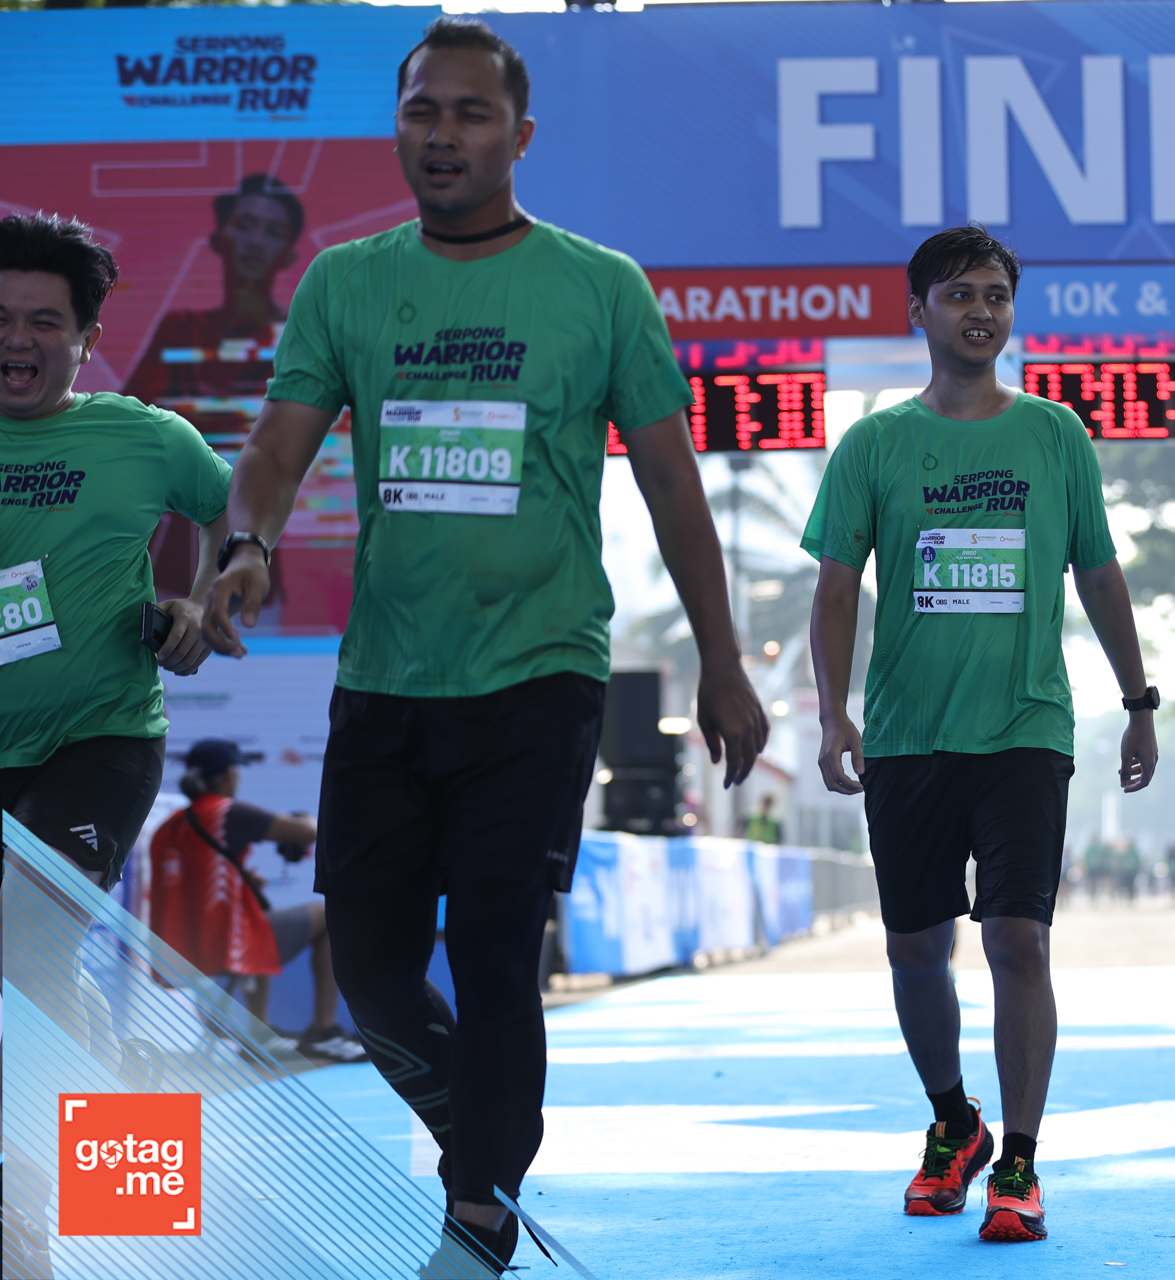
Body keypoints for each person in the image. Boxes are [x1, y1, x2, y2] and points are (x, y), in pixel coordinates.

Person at [197, 19, 767, 1275]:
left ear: (520, 135)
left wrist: (722, 660)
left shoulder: (600, 285)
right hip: (386, 679)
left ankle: (477, 1212)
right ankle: (488, 1147)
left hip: (539, 672)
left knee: (499, 947)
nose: (442, 133)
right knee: (378, 975)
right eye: (421, 111)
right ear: (397, 128)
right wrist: (245, 544)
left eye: (470, 112)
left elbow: (674, 483)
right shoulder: (345, 282)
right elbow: (279, 446)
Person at [806, 225, 1157, 1244]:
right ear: (916, 310)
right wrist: (834, 712)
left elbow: (1099, 573)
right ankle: (954, 1122)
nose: (981, 310)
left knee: (1017, 938)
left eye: (997, 293)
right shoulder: (873, 444)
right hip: (908, 739)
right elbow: (836, 587)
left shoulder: (1056, 434)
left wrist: (1138, 700)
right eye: (959, 293)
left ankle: (1020, 1160)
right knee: (917, 949)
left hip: (1024, 729)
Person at [1, 214, 229, 891]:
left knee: (32, 932)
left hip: (100, 739)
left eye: (43, 322)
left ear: (88, 340)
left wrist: (202, 601)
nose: (16, 338)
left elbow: (236, 511)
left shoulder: (145, 436)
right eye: (0, 318)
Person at [146, 739, 364, 1064]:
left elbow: (191, 882)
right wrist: (303, 816)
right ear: (227, 776)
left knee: (254, 916)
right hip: (218, 946)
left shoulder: (170, 825)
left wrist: (243, 877)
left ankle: (260, 1032)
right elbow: (306, 832)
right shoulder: (225, 812)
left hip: (176, 954)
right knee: (330, 916)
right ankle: (323, 1030)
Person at [123, 175, 306, 441]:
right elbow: (128, 423)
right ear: (217, 238)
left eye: (274, 232)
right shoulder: (179, 330)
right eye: (244, 225)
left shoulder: (299, 341)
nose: (256, 241)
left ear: (288, 256)